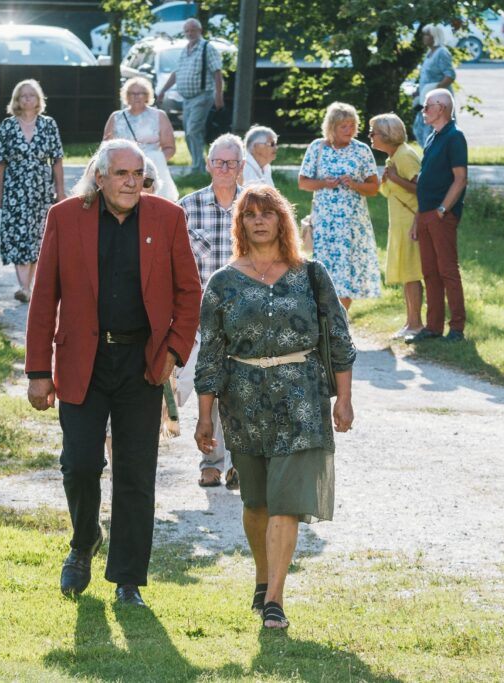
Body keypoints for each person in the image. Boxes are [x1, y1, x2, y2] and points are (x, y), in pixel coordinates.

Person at [26, 139, 202, 607]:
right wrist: (38, 371)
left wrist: (174, 352)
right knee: (80, 463)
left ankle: (128, 579)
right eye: (122, 174)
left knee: (135, 472)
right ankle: (84, 541)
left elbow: (189, 293)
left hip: (143, 363)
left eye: (138, 174)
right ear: (99, 176)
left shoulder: (167, 218)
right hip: (82, 360)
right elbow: (44, 299)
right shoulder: (65, 217)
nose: (131, 182)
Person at [193, 185, 356, 630]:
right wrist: (205, 415)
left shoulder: (311, 274)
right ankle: (263, 579)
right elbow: (210, 354)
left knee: (285, 502)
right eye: (250, 214)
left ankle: (275, 600)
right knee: (257, 502)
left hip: (301, 399)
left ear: (282, 219)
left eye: (268, 213)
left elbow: (339, 339)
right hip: (243, 403)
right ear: (241, 224)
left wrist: (344, 398)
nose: (259, 220)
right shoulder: (223, 282)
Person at [176, 133, 245, 489]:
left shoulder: (253, 206)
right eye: (219, 162)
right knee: (202, 387)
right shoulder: (187, 207)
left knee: (237, 390)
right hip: (199, 316)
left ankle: (233, 464)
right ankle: (211, 462)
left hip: (243, 316)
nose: (224, 168)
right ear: (208, 165)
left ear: (241, 167)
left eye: (231, 163)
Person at [297, 102, 382, 310]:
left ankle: (341, 321)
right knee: (325, 273)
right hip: (325, 223)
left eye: (352, 125)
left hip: (352, 224)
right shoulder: (317, 147)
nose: (349, 130)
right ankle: (326, 320)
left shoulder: (361, 150)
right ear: (331, 127)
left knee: (347, 276)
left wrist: (354, 184)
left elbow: (374, 188)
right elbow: (303, 182)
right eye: (343, 126)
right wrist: (325, 183)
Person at [0, 79, 65, 303]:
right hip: (15, 189)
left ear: (38, 99)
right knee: (18, 234)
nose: (27, 99)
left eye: (31, 95)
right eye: (23, 95)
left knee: (37, 235)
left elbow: (57, 160)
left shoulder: (48, 124)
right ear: (16, 100)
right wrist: (0, 193)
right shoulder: (7, 126)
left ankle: (27, 286)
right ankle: (24, 287)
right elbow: (0, 162)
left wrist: (60, 191)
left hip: (41, 189)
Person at [407, 88, 468, 344]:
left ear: (441, 108)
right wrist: (418, 218)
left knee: (447, 271)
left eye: (427, 106)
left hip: (442, 215)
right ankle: (433, 327)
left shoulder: (455, 137)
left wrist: (443, 209)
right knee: (430, 272)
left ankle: (457, 328)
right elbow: (425, 180)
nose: (424, 111)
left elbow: (460, 179)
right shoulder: (433, 136)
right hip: (425, 214)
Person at [368, 113, 424, 338]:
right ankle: (410, 322)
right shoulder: (394, 157)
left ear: (386, 135)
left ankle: (416, 324)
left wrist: (395, 178)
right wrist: (388, 179)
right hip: (400, 224)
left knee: (412, 273)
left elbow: (422, 189)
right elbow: (391, 191)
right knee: (406, 274)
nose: (370, 136)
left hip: (411, 223)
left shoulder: (405, 156)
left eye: (373, 133)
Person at [157, 18, 225, 174]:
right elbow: (176, 73)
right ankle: (198, 164)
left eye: (192, 30)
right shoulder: (185, 50)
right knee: (189, 132)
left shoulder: (207, 48)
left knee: (193, 131)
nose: (189, 33)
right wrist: (163, 91)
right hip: (186, 99)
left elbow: (217, 72)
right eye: (187, 31)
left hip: (202, 96)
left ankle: (198, 169)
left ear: (199, 31)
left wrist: (218, 96)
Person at [103, 76, 179, 202]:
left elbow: (170, 148)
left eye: (140, 93)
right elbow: (105, 147)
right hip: (122, 167)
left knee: (153, 202)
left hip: (152, 168)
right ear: (126, 96)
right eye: (132, 93)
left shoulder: (159, 115)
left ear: (147, 95)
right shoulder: (116, 117)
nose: (136, 96)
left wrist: (154, 161)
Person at [412, 24, 456, 146]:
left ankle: (439, 154)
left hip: (437, 101)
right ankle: (429, 153)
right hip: (425, 99)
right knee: (419, 128)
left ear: (435, 36)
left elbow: (450, 76)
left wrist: (435, 90)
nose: (424, 37)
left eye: (427, 35)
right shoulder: (429, 53)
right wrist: (419, 91)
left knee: (435, 130)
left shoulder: (442, 53)